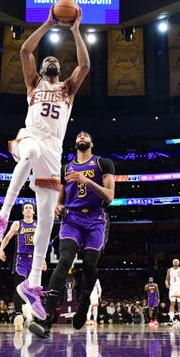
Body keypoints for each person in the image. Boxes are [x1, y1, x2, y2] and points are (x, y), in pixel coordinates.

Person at [0, 7, 90, 321]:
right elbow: (26, 49)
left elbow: (84, 64)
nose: (51, 60)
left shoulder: (67, 89)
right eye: (48, 61)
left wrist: (75, 30)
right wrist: (48, 23)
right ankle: (2, 217)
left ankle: (32, 283)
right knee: (27, 153)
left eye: (55, 61)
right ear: (42, 69)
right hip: (30, 138)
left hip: (54, 153)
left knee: (45, 222)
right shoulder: (33, 84)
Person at [28, 132, 115, 338]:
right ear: (76, 144)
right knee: (64, 260)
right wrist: (58, 206)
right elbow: (61, 198)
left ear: (91, 143)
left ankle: (84, 303)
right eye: (79, 135)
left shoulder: (103, 163)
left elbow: (110, 197)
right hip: (72, 219)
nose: (82, 136)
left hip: (96, 219)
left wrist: (87, 180)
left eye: (86, 135)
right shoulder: (66, 168)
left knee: (89, 266)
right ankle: (46, 317)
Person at [0, 203, 43, 331]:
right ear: (23, 212)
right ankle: (18, 315)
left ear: (34, 212)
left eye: (30, 208)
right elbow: (6, 238)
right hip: (21, 259)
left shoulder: (38, 224)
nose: (28, 210)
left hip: (34, 259)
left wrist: (43, 259)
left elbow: (42, 243)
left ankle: (31, 317)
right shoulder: (18, 224)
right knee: (20, 288)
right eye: (26, 208)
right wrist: (1, 249)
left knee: (33, 290)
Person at [166, 259, 180, 325]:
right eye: (174, 262)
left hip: (179, 288)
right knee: (172, 303)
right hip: (172, 288)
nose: (175, 263)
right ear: (172, 263)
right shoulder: (169, 270)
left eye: (176, 262)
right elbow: (167, 279)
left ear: (178, 263)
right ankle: (171, 319)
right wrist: (166, 284)